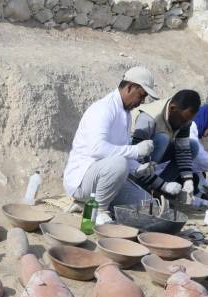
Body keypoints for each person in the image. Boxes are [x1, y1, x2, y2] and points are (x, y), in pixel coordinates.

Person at [62, 66, 159, 223]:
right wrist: (135, 151)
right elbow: (97, 149)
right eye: (141, 96)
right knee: (119, 163)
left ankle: (89, 204)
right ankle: (99, 210)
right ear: (130, 87)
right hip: (81, 181)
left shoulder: (125, 113)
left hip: (105, 179)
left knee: (148, 205)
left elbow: (118, 151)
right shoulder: (103, 109)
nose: (141, 102)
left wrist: (137, 168)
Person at [130, 89, 202, 199]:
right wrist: (162, 185)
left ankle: (157, 190)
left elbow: (183, 151)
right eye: (182, 120)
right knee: (163, 139)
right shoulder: (149, 118)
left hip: (152, 156)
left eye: (187, 121)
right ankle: (144, 187)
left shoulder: (184, 120)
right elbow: (136, 160)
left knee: (192, 146)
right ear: (172, 108)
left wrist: (188, 180)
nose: (184, 124)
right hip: (132, 158)